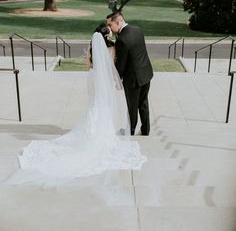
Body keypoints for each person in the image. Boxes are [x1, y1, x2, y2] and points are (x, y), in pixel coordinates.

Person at [5, 23, 146, 185]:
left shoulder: (91, 47)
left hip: (92, 77)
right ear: (107, 35)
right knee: (103, 105)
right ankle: (101, 133)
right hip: (104, 80)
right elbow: (112, 67)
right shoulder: (113, 48)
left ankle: (93, 131)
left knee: (94, 104)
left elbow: (88, 65)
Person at [107, 12, 153, 136]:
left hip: (133, 79)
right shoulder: (138, 30)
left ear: (117, 22)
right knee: (143, 103)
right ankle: (145, 130)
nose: (109, 28)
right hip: (146, 74)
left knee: (132, 106)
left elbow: (121, 65)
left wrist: (117, 79)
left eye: (110, 25)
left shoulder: (122, 40)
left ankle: (131, 131)